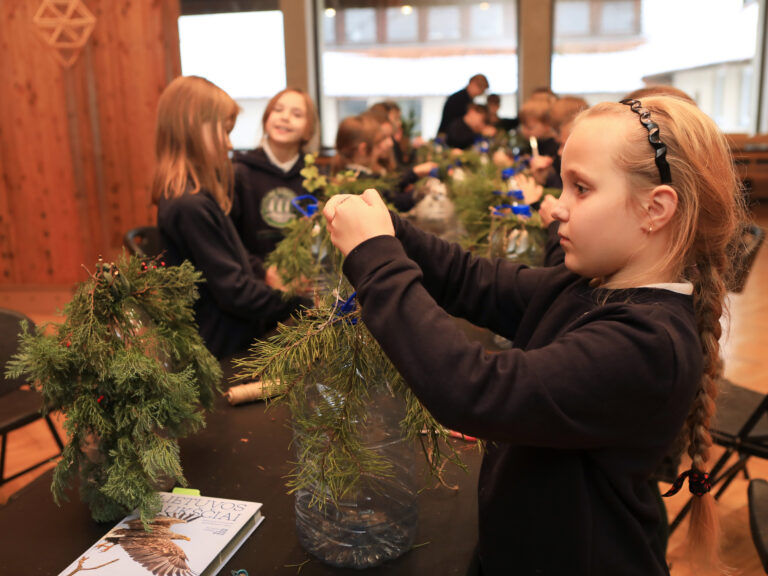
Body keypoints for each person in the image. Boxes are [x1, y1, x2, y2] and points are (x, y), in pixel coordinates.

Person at [322, 96, 745, 574]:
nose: (557, 208)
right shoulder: (587, 284)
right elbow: (472, 280)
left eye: (580, 189)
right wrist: (391, 231)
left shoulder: (648, 344)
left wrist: (377, 257)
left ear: (655, 208)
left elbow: (475, 389)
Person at [152, 76, 305, 359]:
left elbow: (234, 255)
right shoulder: (190, 205)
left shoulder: (197, 196)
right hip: (224, 352)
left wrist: (265, 274)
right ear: (193, 128)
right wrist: (301, 302)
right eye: (223, 132)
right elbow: (235, 293)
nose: (229, 144)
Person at [231, 88, 317, 277]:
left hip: (302, 280)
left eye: (297, 114)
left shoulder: (315, 178)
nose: (285, 117)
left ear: (308, 130)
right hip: (253, 280)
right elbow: (230, 240)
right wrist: (263, 272)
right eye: (277, 110)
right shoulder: (240, 171)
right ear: (266, 119)